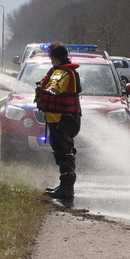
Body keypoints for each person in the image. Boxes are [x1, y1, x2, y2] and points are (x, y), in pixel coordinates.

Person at [36, 43, 82, 199]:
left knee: (64, 152)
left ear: (54, 57)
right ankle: (64, 185)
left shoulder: (61, 73)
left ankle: (67, 189)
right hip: (63, 119)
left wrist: (48, 90)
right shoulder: (65, 71)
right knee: (62, 151)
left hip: (62, 119)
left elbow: (56, 86)